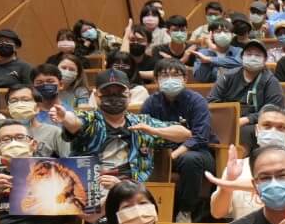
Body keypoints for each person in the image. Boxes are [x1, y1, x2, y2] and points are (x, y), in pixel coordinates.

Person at [60, 70, 190, 186]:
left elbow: (185, 134)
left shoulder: (142, 122)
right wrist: (65, 116)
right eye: (107, 93)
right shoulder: (89, 119)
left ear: (129, 96)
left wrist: (154, 131)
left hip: (132, 192)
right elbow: (75, 122)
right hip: (90, 190)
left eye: (119, 93)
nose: (114, 97)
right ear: (96, 96)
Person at [142, 59, 219, 222]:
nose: (170, 79)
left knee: (189, 159)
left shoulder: (197, 101)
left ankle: (185, 212)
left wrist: (173, 155)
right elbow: (144, 132)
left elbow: (200, 136)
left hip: (198, 153)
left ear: (185, 78)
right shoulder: (151, 103)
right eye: (164, 75)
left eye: (175, 75)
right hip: (162, 153)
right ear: (156, 80)